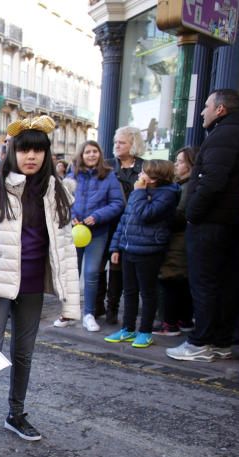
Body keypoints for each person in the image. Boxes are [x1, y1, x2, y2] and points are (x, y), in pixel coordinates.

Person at [0, 116, 80, 455]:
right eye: (25, 149)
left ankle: (16, 414)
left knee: (24, 354)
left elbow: (66, 251)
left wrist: (71, 303)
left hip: (33, 286)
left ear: (47, 154)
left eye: (39, 150)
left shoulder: (58, 193)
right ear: (13, 152)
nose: (32, 156)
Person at [168, 89, 239, 362]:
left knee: (205, 283)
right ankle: (220, 341)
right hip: (234, 223)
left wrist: (192, 214)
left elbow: (212, 181)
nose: (202, 112)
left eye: (206, 106)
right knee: (227, 283)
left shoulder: (225, 135)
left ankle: (201, 342)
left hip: (212, 223)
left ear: (220, 109)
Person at [104, 159, 179, 349]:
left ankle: (145, 331)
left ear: (154, 178)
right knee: (129, 291)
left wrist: (138, 192)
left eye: (144, 173)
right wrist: (116, 247)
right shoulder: (141, 192)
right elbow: (126, 219)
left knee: (147, 293)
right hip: (129, 248)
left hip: (149, 250)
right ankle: (128, 328)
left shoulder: (167, 195)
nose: (140, 175)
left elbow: (145, 214)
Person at [63, 140, 125, 332]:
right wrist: (72, 216)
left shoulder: (109, 176)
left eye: (95, 151)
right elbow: (64, 200)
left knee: (91, 274)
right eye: (87, 152)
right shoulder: (72, 174)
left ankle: (88, 314)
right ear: (81, 155)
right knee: (71, 274)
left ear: (100, 154)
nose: (91, 155)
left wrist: (97, 217)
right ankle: (67, 313)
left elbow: (117, 203)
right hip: (75, 231)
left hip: (97, 232)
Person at [100, 127, 145, 324]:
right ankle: (98, 307)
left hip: (131, 226)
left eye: (122, 142)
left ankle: (115, 310)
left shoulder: (145, 167)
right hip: (106, 223)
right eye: (115, 142)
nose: (116, 146)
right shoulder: (107, 165)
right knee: (99, 267)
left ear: (133, 144)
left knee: (120, 270)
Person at [154, 147, 196, 337]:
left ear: (190, 164)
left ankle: (170, 323)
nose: (176, 165)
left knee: (170, 279)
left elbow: (179, 215)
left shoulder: (187, 186)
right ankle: (183, 320)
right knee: (181, 281)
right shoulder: (183, 184)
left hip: (179, 241)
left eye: (180, 161)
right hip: (182, 240)